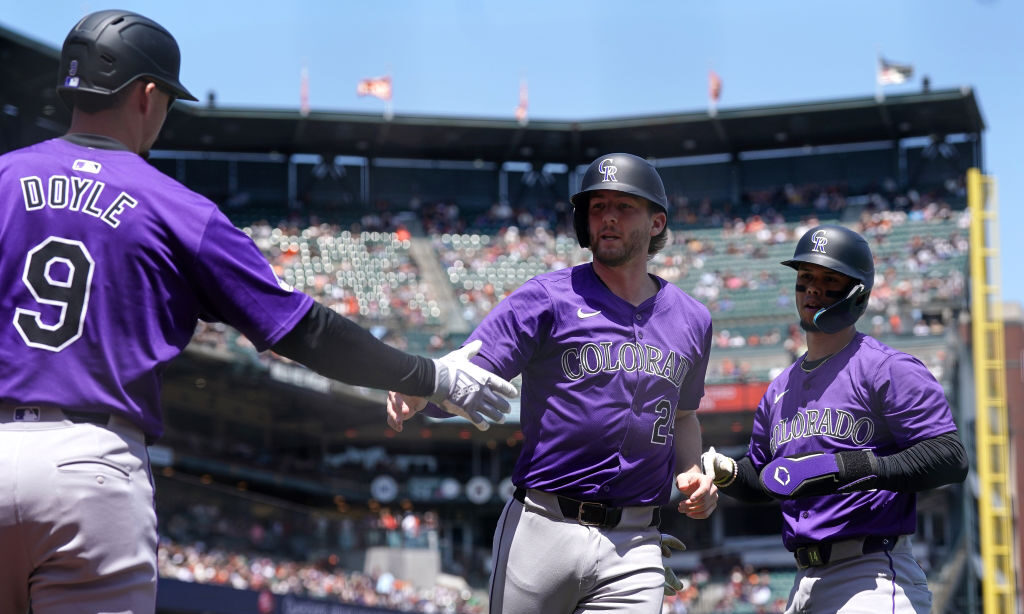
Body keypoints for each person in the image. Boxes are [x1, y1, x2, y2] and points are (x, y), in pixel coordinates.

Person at [0, 10, 516, 614]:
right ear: (146, 94)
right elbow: (304, 330)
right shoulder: (177, 210)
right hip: (90, 469)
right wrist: (433, 377)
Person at [387, 153, 719, 614]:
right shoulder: (546, 298)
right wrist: (423, 386)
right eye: (597, 206)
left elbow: (684, 416)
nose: (606, 217)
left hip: (635, 539)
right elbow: (471, 371)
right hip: (542, 524)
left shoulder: (692, 318)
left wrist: (693, 471)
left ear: (657, 222)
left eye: (623, 207)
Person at [701, 224, 969, 614]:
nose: (813, 289)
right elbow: (769, 481)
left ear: (857, 293)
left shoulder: (887, 369)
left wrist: (852, 467)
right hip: (803, 582)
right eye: (806, 278)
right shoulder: (779, 390)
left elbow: (950, 456)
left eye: (830, 280)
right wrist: (728, 473)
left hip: (871, 573)